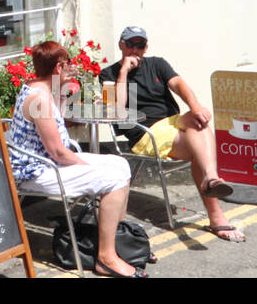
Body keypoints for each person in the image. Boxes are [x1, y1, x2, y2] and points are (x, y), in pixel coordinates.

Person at [5, 40, 145, 277]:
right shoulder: (38, 99)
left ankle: (116, 238)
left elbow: (57, 118)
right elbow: (57, 152)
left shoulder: (37, 87)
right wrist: (87, 164)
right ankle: (106, 257)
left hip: (44, 162)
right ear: (58, 67)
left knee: (120, 163)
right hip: (37, 170)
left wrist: (64, 85)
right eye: (67, 63)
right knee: (112, 177)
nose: (71, 65)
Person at [101, 25, 246, 243]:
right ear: (121, 45)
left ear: (146, 47)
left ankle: (211, 178)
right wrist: (123, 71)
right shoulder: (108, 74)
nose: (135, 49)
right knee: (198, 140)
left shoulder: (157, 63)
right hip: (145, 133)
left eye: (140, 45)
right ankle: (215, 207)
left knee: (198, 120)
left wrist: (196, 107)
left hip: (173, 121)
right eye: (130, 44)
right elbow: (115, 110)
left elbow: (178, 84)